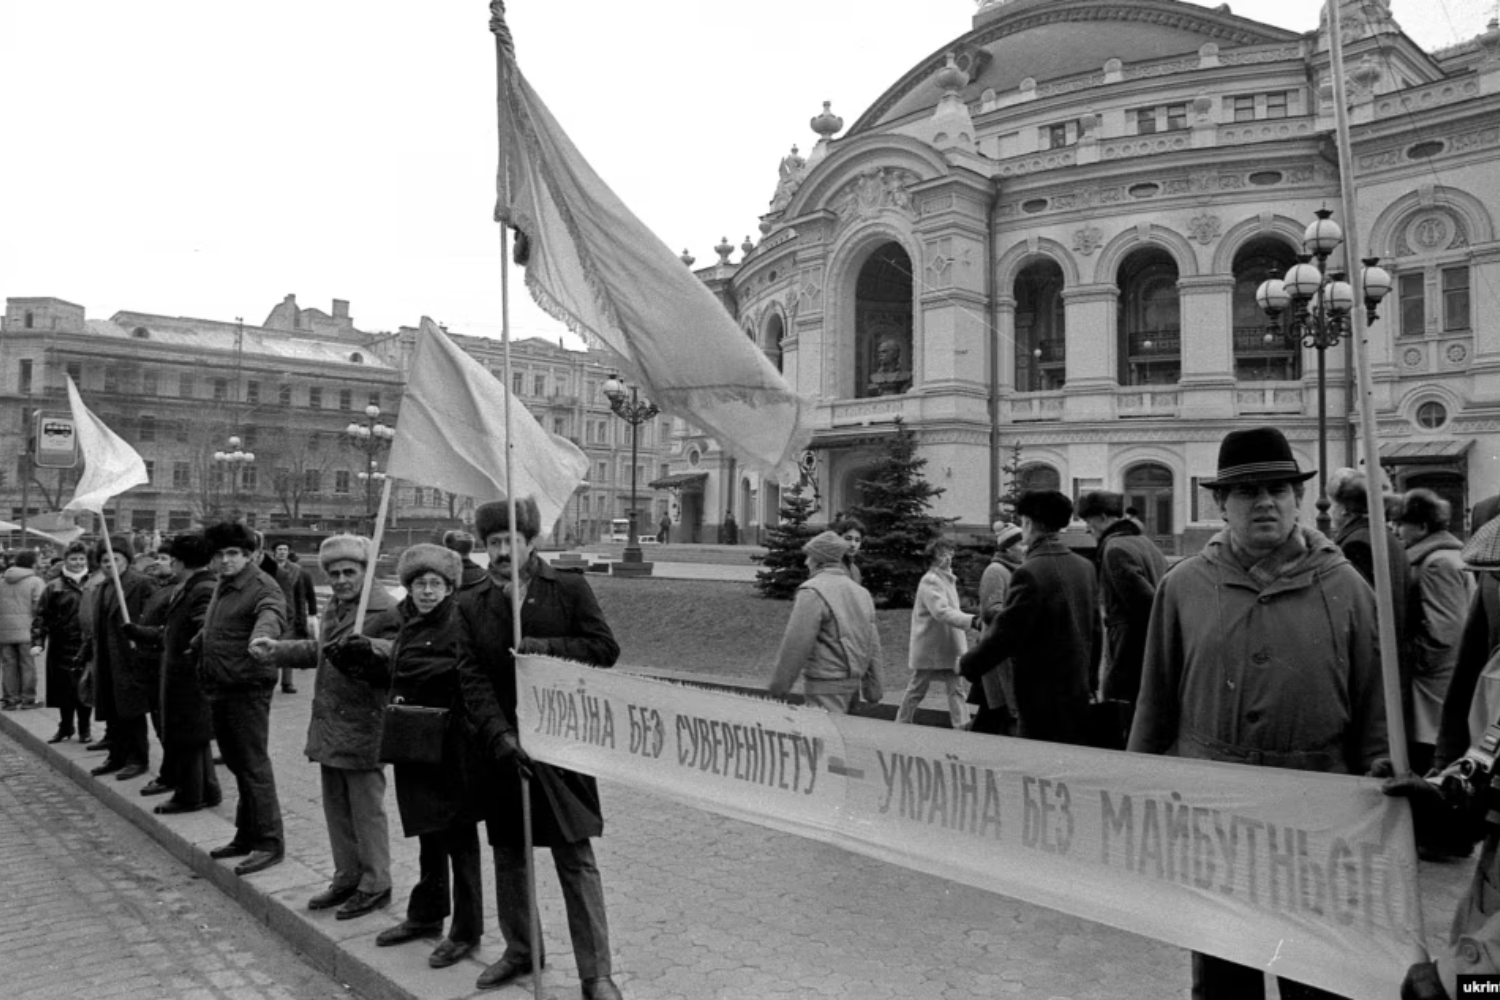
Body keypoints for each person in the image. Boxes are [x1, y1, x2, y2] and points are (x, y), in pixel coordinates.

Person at [1128, 426, 1385, 1000]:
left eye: (1278, 489)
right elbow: (1155, 702)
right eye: (1247, 492)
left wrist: (1381, 769)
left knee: (1314, 972)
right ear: (1221, 504)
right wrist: (1136, 790)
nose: (1265, 502)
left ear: (1297, 499)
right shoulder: (1185, 585)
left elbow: (1375, 704)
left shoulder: (1344, 585)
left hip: (1315, 813)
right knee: (1223, 975)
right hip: (1217, 815)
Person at [455, 498, 624, 999]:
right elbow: (472, 677)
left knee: (575, 858)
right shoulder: (470, 602)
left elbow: (603, 649)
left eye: (513, 540)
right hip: (503, 748)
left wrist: (548, 648)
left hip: (561, 747)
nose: (504, 550)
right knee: (509, 854)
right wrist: (499, 735)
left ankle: (597, 974)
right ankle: (521, 949)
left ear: (533, 542)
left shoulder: (567, 588)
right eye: (494, 543)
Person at [346, 544, 486, 969]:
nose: (427, 591)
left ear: (449, 587)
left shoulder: (462, 622)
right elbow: (395, 670)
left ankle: (466, 929)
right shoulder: (407, 622)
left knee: (459, 842)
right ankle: (426, 916)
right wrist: (365, 658)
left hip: (452, 745)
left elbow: (460, 672)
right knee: (428, 835)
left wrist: (401, 669)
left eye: (436, 584)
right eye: (420, 583)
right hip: (413, 742)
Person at [250, 534, 397, 916]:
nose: (342, 579)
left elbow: (400, 656)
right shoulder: (336, 608)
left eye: (350, 571)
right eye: (334, 573)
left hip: (365, 723)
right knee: (336, 808)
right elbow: (322, 653)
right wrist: (278, 650)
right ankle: (347, 874)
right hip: (331, 723)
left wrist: (373, 648)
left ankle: (376, 882)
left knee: (367, 810)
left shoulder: (384, 610)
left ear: (366, 571)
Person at [961, 490, 1099, 744]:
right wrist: (1090, 681)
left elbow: (1006, 634)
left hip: (1040, 696)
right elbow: (1095, 631)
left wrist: (968, 664)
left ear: (1029, 524)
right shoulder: (1085, 567)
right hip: (1077, 692)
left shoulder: (1030, 571)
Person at [200, 521, 288, 877]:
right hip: (223, 683)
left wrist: (261, 638)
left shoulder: (262, 585)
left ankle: (269, 842)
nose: (225, 560)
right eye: (219, 555)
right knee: (237, 764)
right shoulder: (225, 585)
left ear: (249, 554)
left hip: (248, 685)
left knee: (253, 765)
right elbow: (218, 627)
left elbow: (271, 614)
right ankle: (246, 834)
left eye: (233, 553)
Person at [125, 533, 222, 814]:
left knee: (188, 736)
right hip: (180, 673)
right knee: (192, 736)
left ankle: (189, 795)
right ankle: (208, 789)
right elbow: (171, 632)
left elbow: (204, 629)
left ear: (180, 562)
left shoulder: (201, 588)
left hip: (188, 676)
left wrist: (191, 652)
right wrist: (142, 633)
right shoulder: (189, 586)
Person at [1328, 467, 1414, 748]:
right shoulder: (1380, 536)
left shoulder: (1356, 544)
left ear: (1345, 509)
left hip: (1372, 676)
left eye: (1332, 505)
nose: (1329, 513)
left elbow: (1359, 619)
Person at [1397, 489, 1473, 775]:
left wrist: (1409, 658)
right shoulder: (1449, 555)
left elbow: (1446, 632)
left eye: (1402, 522)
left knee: (1430, 754)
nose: (1396, 529)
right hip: (1443, 681)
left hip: (1432, 686)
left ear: (1422, 526)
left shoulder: (1435, 564)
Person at [1077, 489, 1168, 725]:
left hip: (1131, 651)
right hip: (1149, 651)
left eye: (1089, 520)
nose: (1087, 528)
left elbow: (1145, 607)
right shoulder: (1146, 542)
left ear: (1104, 517)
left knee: (1123, 713)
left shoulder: (1114, 549)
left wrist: (1116, 671)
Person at [768, 530, 882, 713]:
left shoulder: (812, 591)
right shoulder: (862, 593)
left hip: (824, 685)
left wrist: (779, 687)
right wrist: (874, 689)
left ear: (818, 560)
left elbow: (796, 643)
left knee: (825, 738)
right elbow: (872, 644)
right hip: (852, 685)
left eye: (809, 557)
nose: (806, 562)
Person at [87, 536, 156, 781]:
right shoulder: (102, 587)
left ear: (126, 560)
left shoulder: (141, 584)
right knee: (112, 709)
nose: (109, 565)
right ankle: (116, 756)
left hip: (130, 657)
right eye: (104, 561)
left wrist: (140, 635)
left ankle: (138, 759)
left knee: (131, 711)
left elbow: (153, 616)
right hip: (107, 657)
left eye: (114, 559)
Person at [897, 538, 974, 728]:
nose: (947, 557)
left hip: (944, 645)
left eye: (949, 552)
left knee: (955, 688)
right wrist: (971, 620)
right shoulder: (932, 580)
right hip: (932, 646)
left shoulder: (946, 577)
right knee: (918, 687)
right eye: (942, 554)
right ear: (933, 558)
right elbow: (941, 611)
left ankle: (961, 725)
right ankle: (901, 722)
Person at [32, 541, 92, 743]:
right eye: (73, 559)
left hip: (86, 644)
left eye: (81, 559)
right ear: (66, 561)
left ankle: (85, 729)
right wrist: (38, 640)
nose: (77, 563)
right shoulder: (54, 587)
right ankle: (65, 726)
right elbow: (41, 616)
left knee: (84, 687)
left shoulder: (93, 584)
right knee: (62, 688)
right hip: (60, 644)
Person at [969, 521, 1024, 736]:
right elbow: (991, 609)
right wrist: (1020, 617)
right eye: (1020, 544)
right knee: (996, 707)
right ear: (1008, 548)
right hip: (996, 654)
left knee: (994, 711)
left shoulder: (1016, 570)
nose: (1025, 548)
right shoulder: (995, 571)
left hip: (1007, 652)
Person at [0, 550, 47, 710]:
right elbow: (39, 606)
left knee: (8, 665)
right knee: (27, 665)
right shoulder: (35, 581)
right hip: (28, 630)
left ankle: (10, 699)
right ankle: (28, 699)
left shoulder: (2, 581)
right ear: (32, 563)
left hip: (4, 631)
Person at [268, 542, 312, 694]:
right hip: (271, 612)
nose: (282, 552)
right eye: (279, 549)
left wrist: (301, 617)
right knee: (270, 646)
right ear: (274, 552)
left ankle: (287, 683)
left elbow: (300, 595)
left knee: (287, 647)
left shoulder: (296, 570)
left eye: (285, 550)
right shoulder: (267, 568)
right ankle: (269, 680)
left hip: (289, 614)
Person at [831, 516, 867, 586]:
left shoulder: (855, 571)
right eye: (848, 538)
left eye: (857, 540)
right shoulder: (830, 567)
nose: (853, 544)